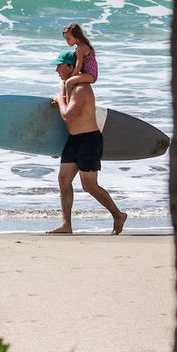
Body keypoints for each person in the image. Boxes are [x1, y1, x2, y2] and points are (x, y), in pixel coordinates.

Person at [47, 50, 127, 235]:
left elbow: (67, 115)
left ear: (70, 66)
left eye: (59, 65)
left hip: (89, 140)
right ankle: (66, 224)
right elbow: (68, 119)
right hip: (73, 140)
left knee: (89, 185)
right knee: (63, 180)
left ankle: (118, 215)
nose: (56, 69)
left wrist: (59, 101)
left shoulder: (82, 89)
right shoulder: (69, 87)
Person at [61, 22, 98, 97]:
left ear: (76, 36)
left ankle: (67, 103)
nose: (67, 41)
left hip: (90, 75)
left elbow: (78, 66)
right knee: (66, 81)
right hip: (88, 74)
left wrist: (72, 76)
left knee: (68, 82)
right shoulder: (82, 45)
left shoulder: (81, 48)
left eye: (68, 39)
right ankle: (64, 97)